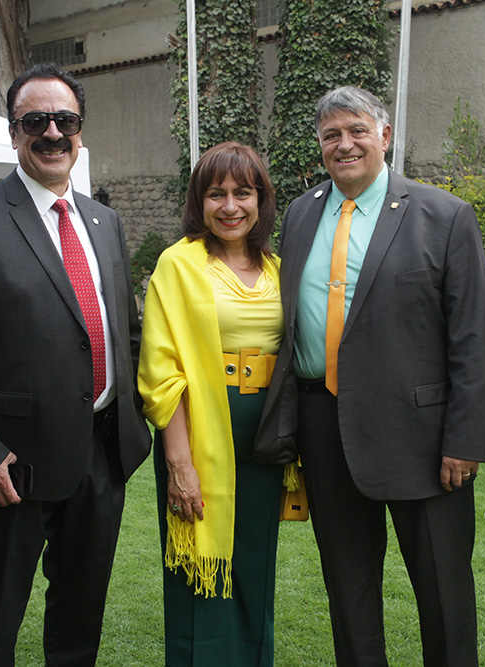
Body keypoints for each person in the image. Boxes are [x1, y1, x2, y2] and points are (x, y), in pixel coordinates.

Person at [255, 86, 485, 666]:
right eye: (331, 135)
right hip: (324, 429)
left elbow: (475, 340)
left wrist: (464, 441)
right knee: (349, 590)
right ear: (320, 146)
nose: (345, 144)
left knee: (443, 594)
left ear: (384, 136)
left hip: (424, 440)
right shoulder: (301, 212)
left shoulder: (444, 215)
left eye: (357, 130)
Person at [0, 62, 151, 666]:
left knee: (81, 619)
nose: (52, 133)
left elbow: (121, 328)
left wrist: (137, 425)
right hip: (11, 464)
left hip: (102, 453)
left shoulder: (104, 221)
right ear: (13, 132)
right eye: (36, 121)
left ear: (80, 131)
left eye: (66, 120)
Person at [138, 142, 286, 666]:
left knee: (252, 567)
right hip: (199, 438)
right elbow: (162, 372)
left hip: (266, 441)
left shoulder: (277, 267)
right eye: (215, 194)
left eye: (242, 192)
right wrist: (180, 463)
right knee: (200, 572)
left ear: (261, 199)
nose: (229, 206)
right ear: (198, 202)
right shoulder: (179, 264)